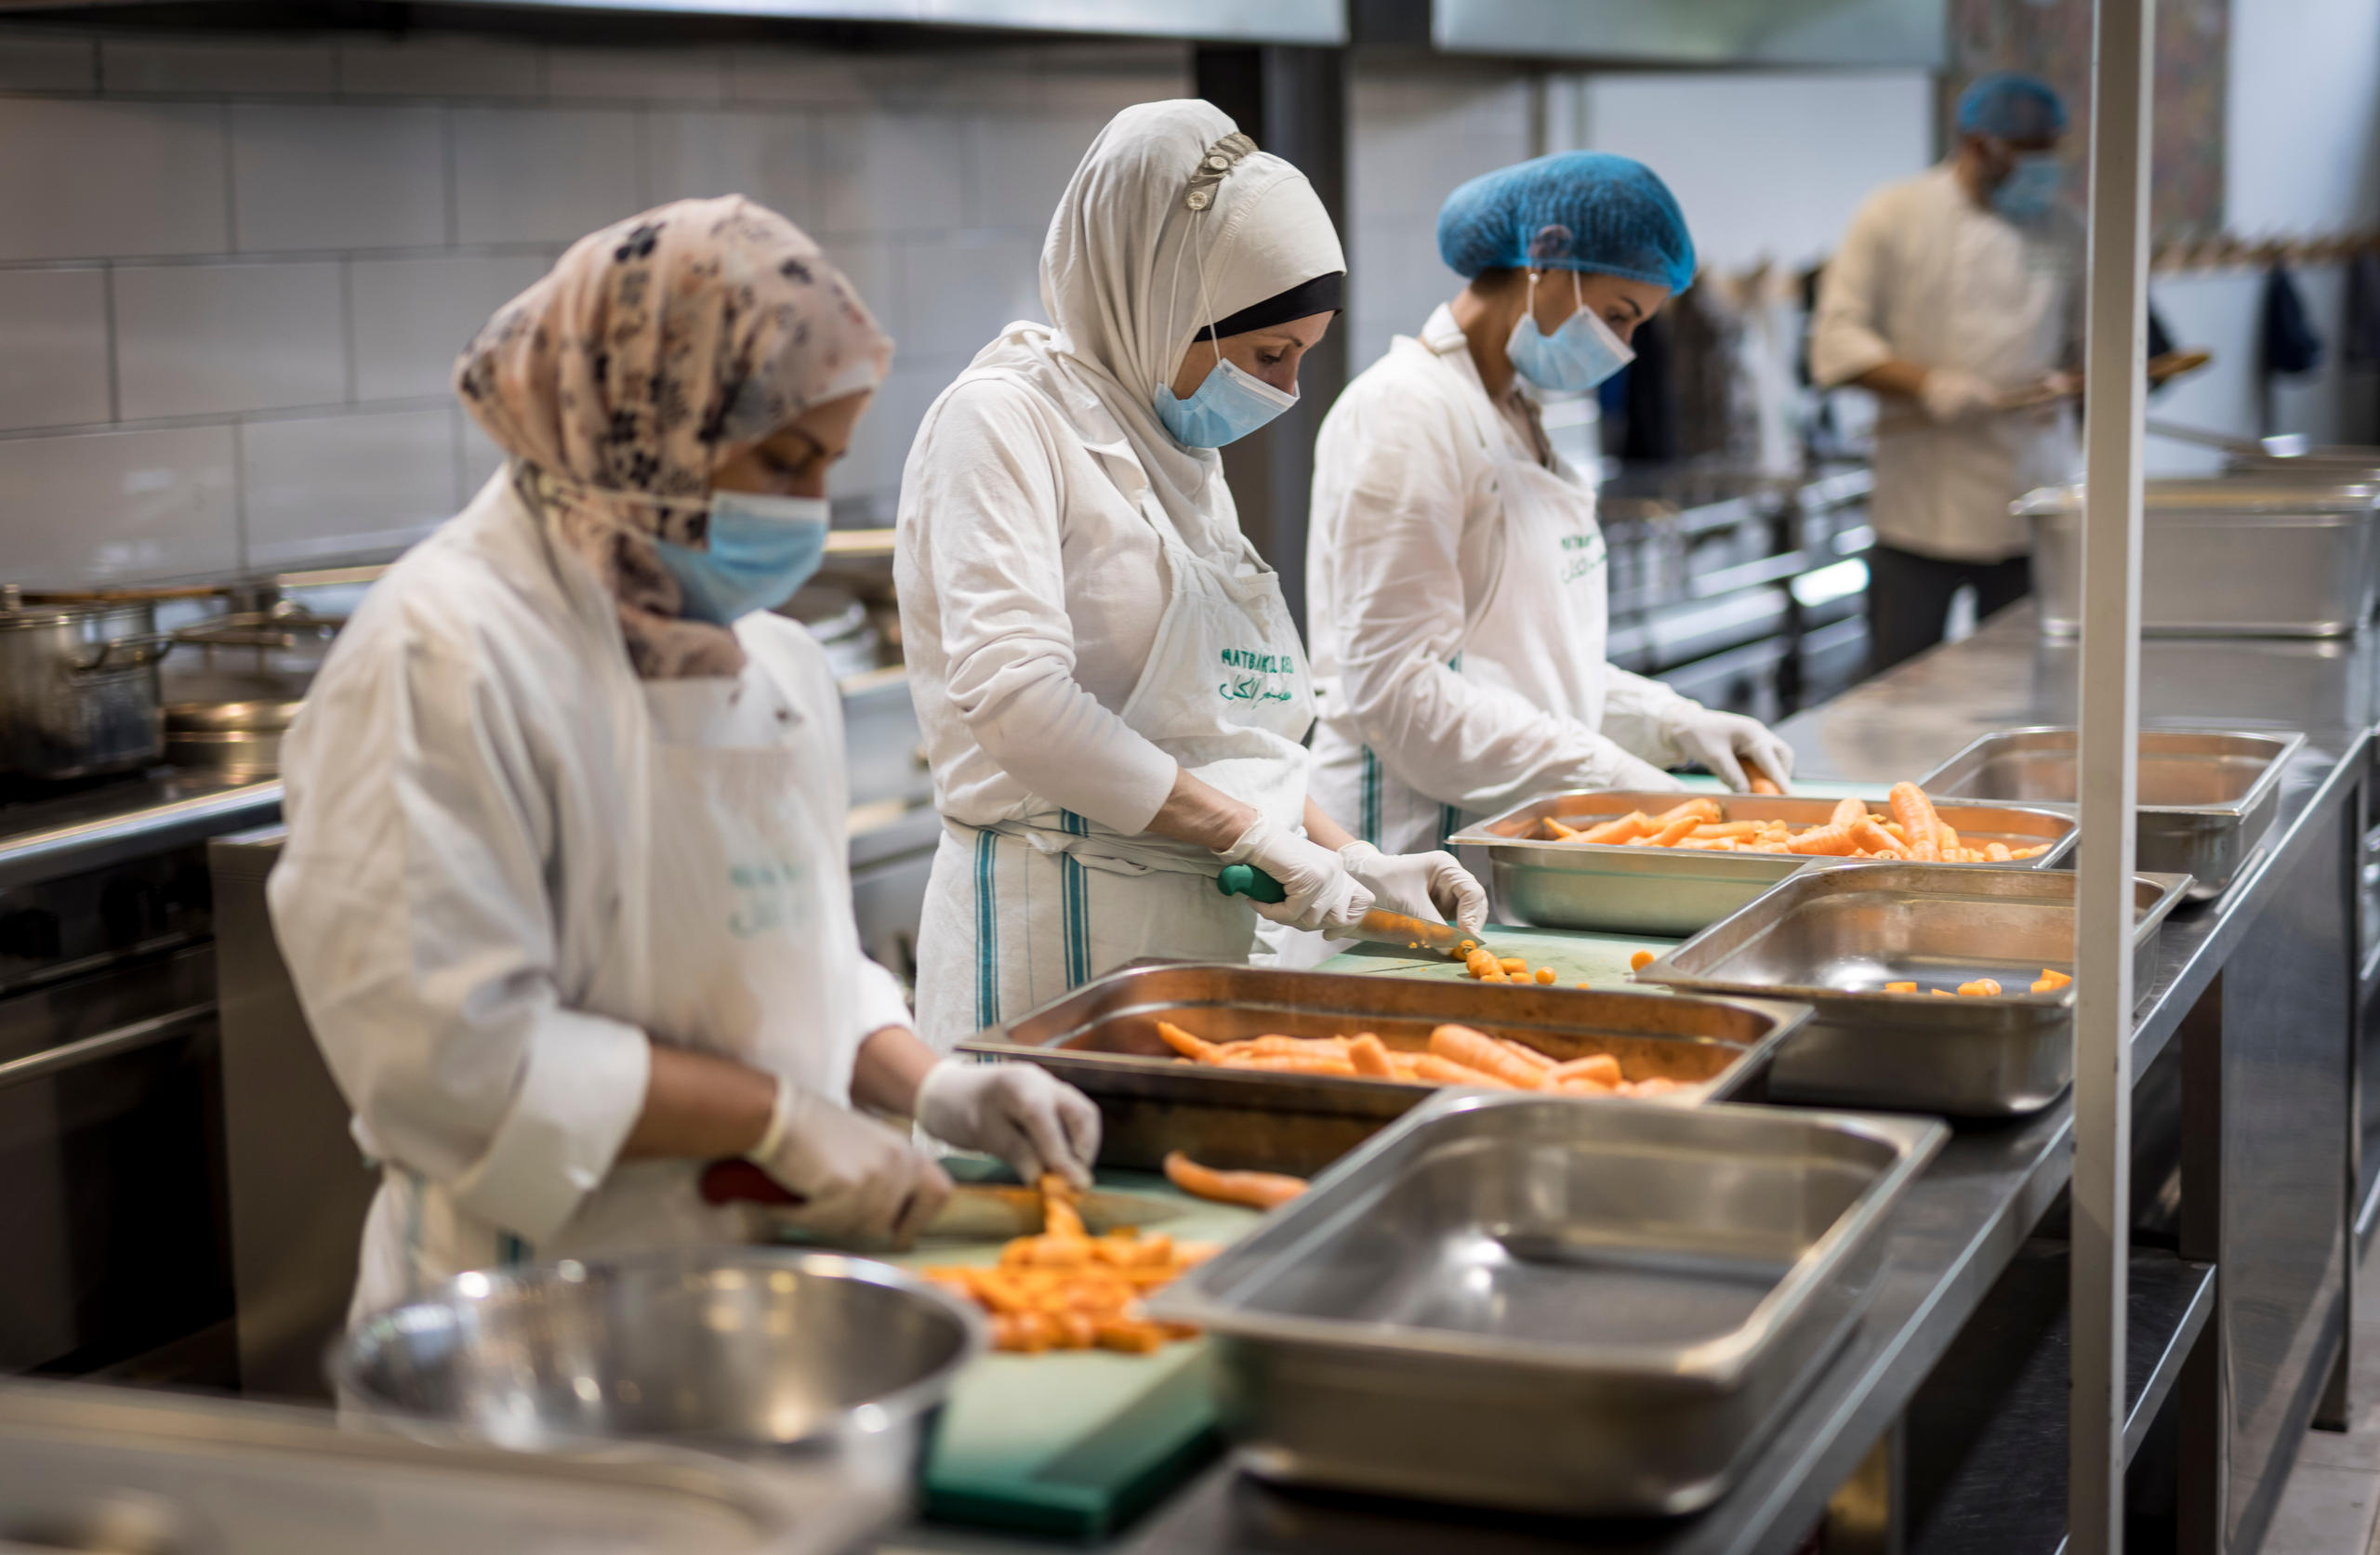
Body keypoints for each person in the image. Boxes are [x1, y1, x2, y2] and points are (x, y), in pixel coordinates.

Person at [269, 197, 1100, 1321]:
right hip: (521, 1323)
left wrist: (933, 1082)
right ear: (644, 423)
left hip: (756, 1296)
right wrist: (776, 1119)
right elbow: (453, 1058)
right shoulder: (441, 657)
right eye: (783, 459)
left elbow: (786, 957)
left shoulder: (771, 662)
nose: (805, 511)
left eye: (828, 464)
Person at [897, 101, 1487, 1047]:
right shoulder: (1002, 423)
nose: (1286, 392)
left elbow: (1224, 733)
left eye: (1300, 357)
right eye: (1267, 355)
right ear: (1167, 300)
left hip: (1197, 944)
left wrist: (1358, 859)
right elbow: (1018, 702)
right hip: (1058, 941)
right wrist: (1251, 835)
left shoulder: (1173, 453)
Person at [1304, 152, 1796, 857]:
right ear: (1547, 260)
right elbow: (1403, 695)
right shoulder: (1406, 412)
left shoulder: (1514, 416)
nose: (1623, 349)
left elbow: (1533, 669)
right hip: (1407, 851)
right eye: (1618, 316)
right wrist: (1610, 778)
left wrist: (1673, 723)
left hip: (1504, 841)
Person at [1811, 72, 2082, 674]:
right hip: (1920, 511)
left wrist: (2072, 384)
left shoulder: (2067, 231)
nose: (2044, 171)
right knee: (1900, 685)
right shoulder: (1895, 214)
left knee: (2026, 680)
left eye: (2050, 153)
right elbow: (1835, 340)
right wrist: (1930, 385)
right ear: (1977, 144)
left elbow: (2109, 346)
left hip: (2031, 496)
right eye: (2027, 155)